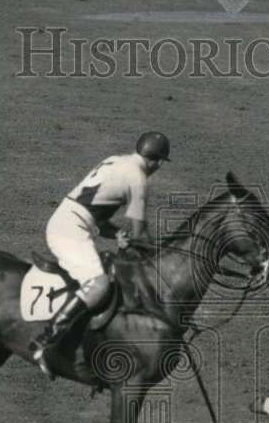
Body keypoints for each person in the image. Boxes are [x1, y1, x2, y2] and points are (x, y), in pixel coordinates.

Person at [30, 131, 170, 378]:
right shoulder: (138, 179)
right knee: (99, 283)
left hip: (68, 221)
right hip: (68, 230)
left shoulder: (115, 160)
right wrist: (164, 253)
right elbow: (140, 236)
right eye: (160, 163)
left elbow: (98, 217)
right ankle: (47, 338)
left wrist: (116, 233)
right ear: (157, 161)